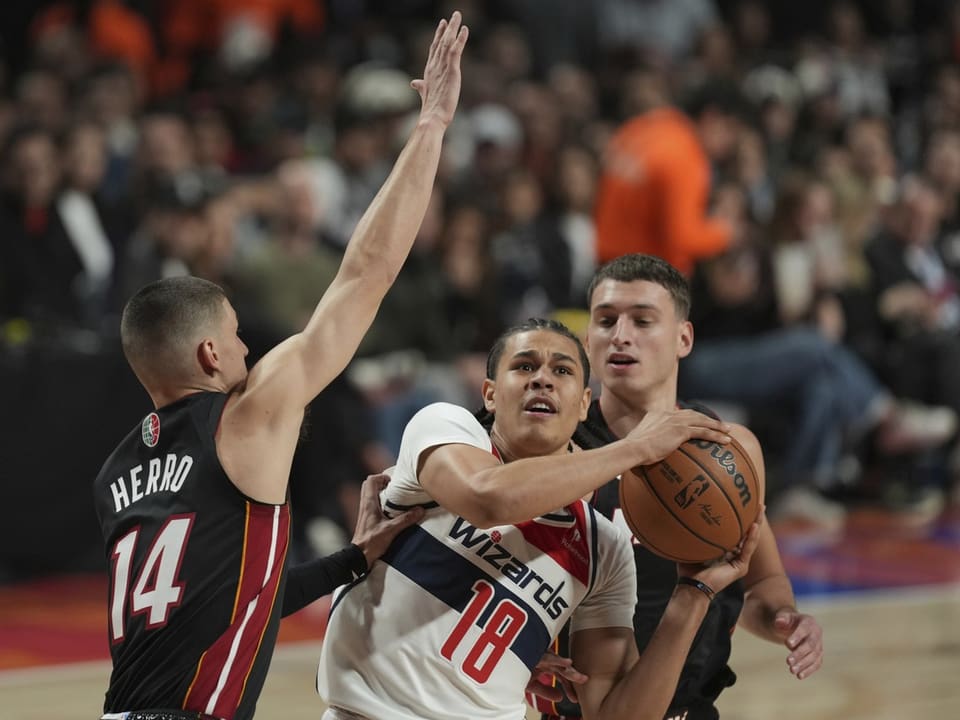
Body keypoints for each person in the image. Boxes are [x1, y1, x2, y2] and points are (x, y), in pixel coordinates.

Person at [91, 12, 469, 720]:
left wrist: (351, 561)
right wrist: (432, 129)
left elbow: (229, 603)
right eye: (237, 338)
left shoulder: (114, 475)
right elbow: (365, 275)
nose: (246, 351)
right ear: (209, 355)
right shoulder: (243, 417)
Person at [316, 316, 762, 720]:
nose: (542, 380)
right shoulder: (443, 430)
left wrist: (692, 596)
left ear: (584, 403)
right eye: (525, 367)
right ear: (490, 393)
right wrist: (635, 448)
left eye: (562, 371)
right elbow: (488, 500)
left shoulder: (602, 547)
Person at [535, 254, 823, 720]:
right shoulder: (553, 453)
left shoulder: (728, 449)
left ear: (683, 338)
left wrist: (784, 619)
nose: (621, 335)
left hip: (694, 709)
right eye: (606, 320)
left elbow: (761, 581)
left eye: (643, 320)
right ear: (588, 340)